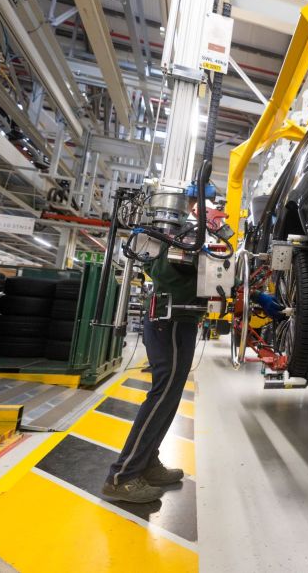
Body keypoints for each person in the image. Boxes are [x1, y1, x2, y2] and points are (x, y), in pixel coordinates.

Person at [102, 199, 203, 504]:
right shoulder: (164, 240)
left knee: (170, 398)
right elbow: (170, 275)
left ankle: (147, 463)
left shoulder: (182, 238)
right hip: (168, 322)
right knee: (161, 397)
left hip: (183, 322)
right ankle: (121, 477)